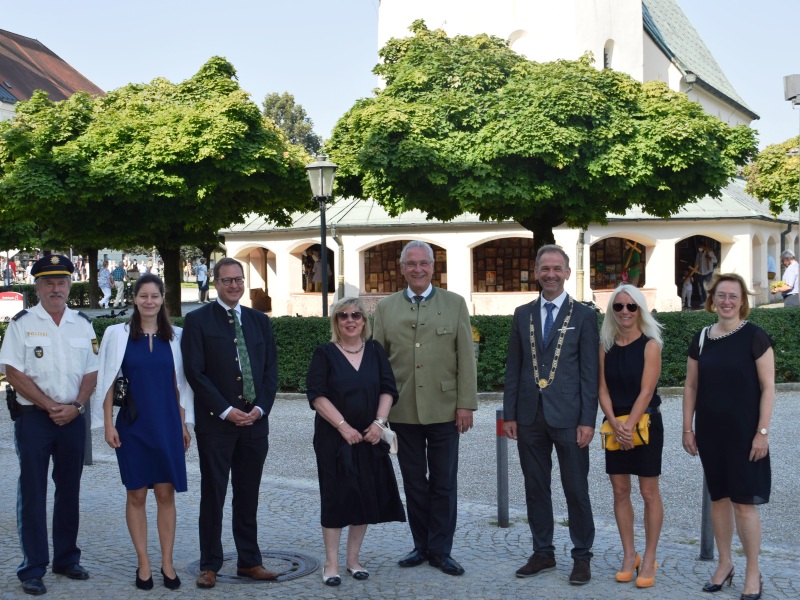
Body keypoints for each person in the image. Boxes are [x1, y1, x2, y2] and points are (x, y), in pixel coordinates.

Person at [372, 240, 477, 576]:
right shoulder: (386, 308)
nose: (418, 269)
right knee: (414, 482)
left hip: (446, 409)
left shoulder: (455, 303)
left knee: (444, 481)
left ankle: (441, 550)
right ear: (402, 268)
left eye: (424, 263)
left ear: (434, 267)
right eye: (411, 264)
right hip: (403, 412)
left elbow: (466, 358)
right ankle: (421, 545)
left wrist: (466, 404)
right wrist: (379, 413)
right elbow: (377, 362)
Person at [0, 255, 98, 596]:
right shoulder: (22, 324)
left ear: (70, 285)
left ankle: (67, 558)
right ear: (37, 287)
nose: (55, 289)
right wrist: (50, 405)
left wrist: (77, 406)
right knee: (33, 490)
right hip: (34, 420)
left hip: (73, 418)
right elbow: (12, 372)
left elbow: (92, 371)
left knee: (69, 489)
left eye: (61, 283)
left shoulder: (82, 324)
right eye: (48, 283)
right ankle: (33, 567)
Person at [503, 244, 598, 586]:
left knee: (575, 488)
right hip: (529, 417)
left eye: (557, 269)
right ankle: (543, 551)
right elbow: (513, 368)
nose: (551, 274)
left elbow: (590, 374)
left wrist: (589, 420)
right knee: (535, 487)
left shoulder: (585, 316)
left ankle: (582, 555)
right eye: (545, 268)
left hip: (570, 418)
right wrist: (509, 414)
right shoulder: (522, 313)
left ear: (568, 273)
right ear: (537, 272)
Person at [181, 257, 279, 589]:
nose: (234, 285)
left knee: (248, 494)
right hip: (217, 424)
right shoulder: (197, 321)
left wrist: (261, 408)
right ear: (215, 283)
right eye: (227, 281)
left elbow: (269, 371)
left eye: (238, 279)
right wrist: (224, 410)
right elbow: (195, 372)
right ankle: (209, 564)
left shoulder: (258, 321)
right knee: (214, 494)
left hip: (255, 423)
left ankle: (250, 562)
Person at [92, 274, 194, 590]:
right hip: (133, 425)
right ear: (134, 299)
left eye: (155, 296)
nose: (149, 301)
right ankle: (144, 563)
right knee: (136, 493)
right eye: (143, 296)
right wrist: (107, 423)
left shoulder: (177, 336)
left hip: (166, 424)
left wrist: (184, 425)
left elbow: (182, 386)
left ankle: (167, 562)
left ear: (163, 299)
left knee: (165, 493)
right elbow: (108, 380)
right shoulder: (116, 334)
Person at [682, 273, 774, 600]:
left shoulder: (755, 337)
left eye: (733, 296)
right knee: (718, 499)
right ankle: (724, 564)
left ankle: (752, 572)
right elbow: (691, 386)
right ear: (712, 299)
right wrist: (687, 428)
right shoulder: (702, 338)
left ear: (742, 301)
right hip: (710, 432)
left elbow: (768, 389)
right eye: (721, 295)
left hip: (746, 434)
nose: (726, 301)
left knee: (744, 503)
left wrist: (762, 433)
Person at [306, 297, 406, 586]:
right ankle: (332, 562)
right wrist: (343, 427)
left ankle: (353, 560)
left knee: (364, 495)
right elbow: (317, 395)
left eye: (356, 316)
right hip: (334, 439)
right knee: (336, 497)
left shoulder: (374, 350)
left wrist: (379, 423)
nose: (350, 320)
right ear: (336, 322)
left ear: (365, 321)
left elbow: (388, 388)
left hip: (370, 437)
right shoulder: (324, 352)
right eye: (343, 316)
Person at [598, 284, 664, 588]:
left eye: (631, 306)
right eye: (619, 306)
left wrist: (630, 426)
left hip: (646, 423)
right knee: (620, 492)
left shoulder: (651, 344)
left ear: (640, 309)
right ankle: (629, 555)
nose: (625, 311)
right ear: (612, 310)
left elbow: (647, 390)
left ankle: (649, 558)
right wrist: (615, 423)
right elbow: (602, 389)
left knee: (649, 493)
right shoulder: (605, 345)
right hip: (616, 425)